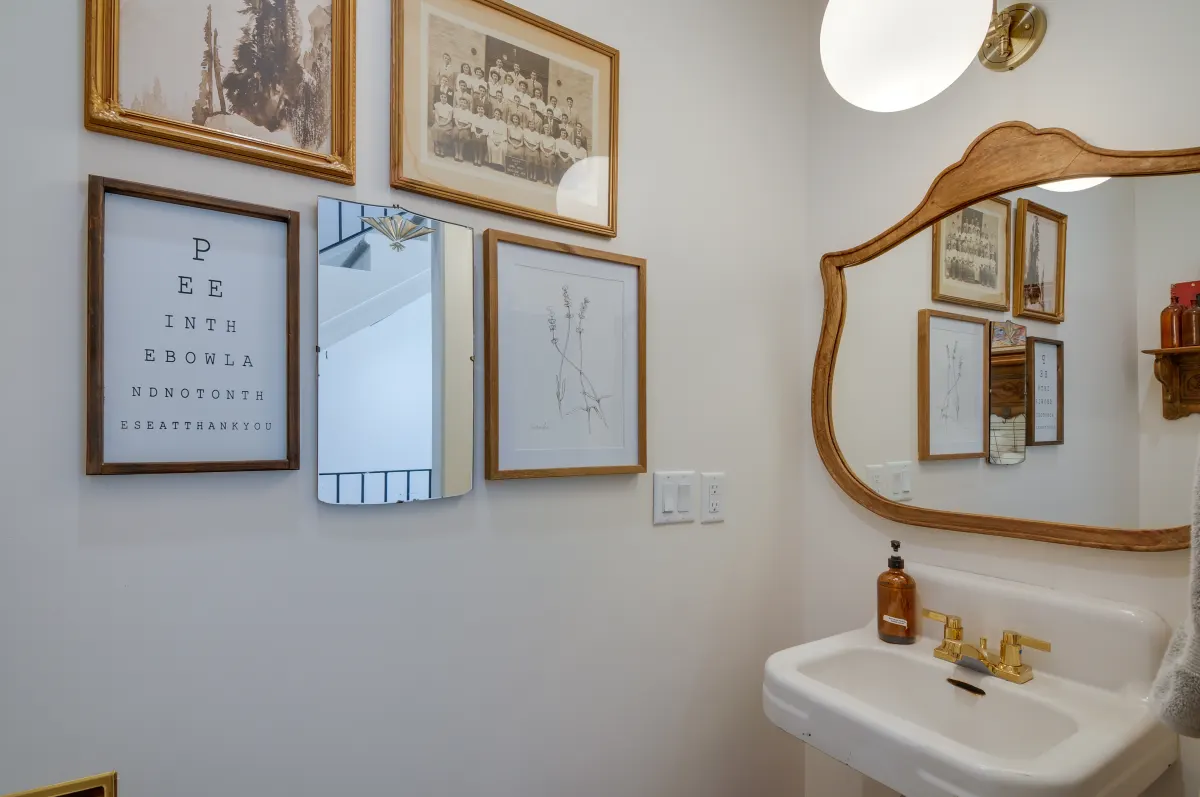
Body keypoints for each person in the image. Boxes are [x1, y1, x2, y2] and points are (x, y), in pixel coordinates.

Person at [430, 91, 454, 157]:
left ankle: (442, 148)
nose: (443, 99)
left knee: (443, 131)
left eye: (445, 97)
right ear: (440, 97)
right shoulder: (437, 105)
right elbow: (436, 115)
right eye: (442, 97)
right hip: (439, 120)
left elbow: (449, 118)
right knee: (435, 129)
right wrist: (438, 122)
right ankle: (437, 146)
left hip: (447, 122)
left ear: (447, 98)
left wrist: (444, 123)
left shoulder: (450, 107)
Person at [451, 95, 474, 162]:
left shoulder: (469, 113)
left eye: (464, 103)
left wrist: (464, 127)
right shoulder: (457, 110)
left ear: (467, 104)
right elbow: (455, 119)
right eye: (462, 102)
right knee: (455, 133)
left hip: (465, 127)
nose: (463, 104)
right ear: (460, 103)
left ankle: (461, 154)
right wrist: (458, 125)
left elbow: (470, 124)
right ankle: (456, 153)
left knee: (462, 135)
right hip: (458, 125)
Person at [523, 117, 542, 182]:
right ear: (528, 125)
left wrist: (534, 148)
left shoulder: (537, 134)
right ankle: (530, 173)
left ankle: (535, 174)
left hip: (534, 147)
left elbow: (538, 144)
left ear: (535, 126)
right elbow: (524, 141)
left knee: (536, 156)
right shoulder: (526, 131)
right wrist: (529, 147)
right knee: (529, 156)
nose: (531, 126)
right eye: (530, 124)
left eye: (533, 124)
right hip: (527, 146)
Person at [539, 121, 558, 185]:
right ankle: (546, 177)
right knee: (543, 160)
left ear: (550, 131)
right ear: (544, 130)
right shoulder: (542, 137)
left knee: (550, 162)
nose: (547, 131)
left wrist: (549, 154)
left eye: (548, 130)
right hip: (543, 151)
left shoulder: (553, 139)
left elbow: (554, 149)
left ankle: (550, 178)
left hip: (550, 152)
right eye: (546, 129)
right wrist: (544, 152)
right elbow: (541, 146)